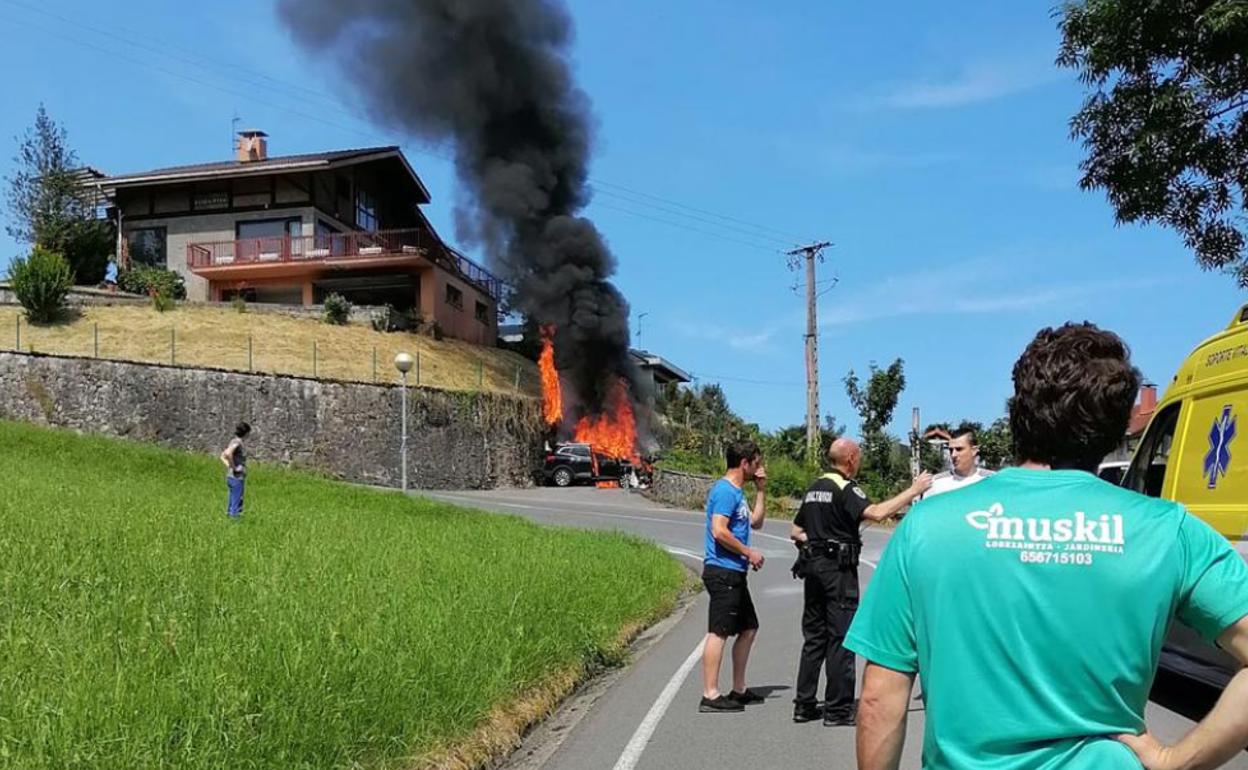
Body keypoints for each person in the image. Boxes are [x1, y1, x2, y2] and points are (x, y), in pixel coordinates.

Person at [847, 323, 1248, 770]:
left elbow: (879, 701)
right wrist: (1177, 761)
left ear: (1019, 411)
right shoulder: (1166, 530)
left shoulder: (928, 526)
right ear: (1114, 427)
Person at [789, 439, 931, 726]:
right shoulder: (845, 486)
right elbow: (877, 513)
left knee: (814, 638)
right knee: (841, 637)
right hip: (837, 571)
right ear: (851, 458)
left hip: (813, 568)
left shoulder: (815, 487)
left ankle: (804, 705)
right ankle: (838, 710)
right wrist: (914, 490)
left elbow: (796, 530)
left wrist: (820, 540)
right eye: (860, 456)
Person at [699, 439, 768, 713]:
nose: (759, 468)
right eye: (757, 463)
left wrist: (761, 491)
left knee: (749, 628)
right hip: (722, 571)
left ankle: (738, 689)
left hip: (735, 572)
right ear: (744, 463)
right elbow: (719, 530)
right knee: (719, 632)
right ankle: (710, 694)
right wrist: (748, 552)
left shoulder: (738, 493)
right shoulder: (725, 491)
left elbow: (756, 522)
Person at [925, 429, 993, 498]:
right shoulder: (937, 483)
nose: (953, 455)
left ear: (974, 451)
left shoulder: (992, 480)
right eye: (951, 450)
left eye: (959, 449)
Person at [220, 422, 251, 518]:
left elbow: (222, 456)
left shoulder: (233, 441)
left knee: (232, 501)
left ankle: (229, 521)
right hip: (236, 478)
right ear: (246, 433)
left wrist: (229, 466)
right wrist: (234, 468)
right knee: (237, 503)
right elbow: (228, 454)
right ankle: (235, 522)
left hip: (231, 477)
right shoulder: (237, 442)